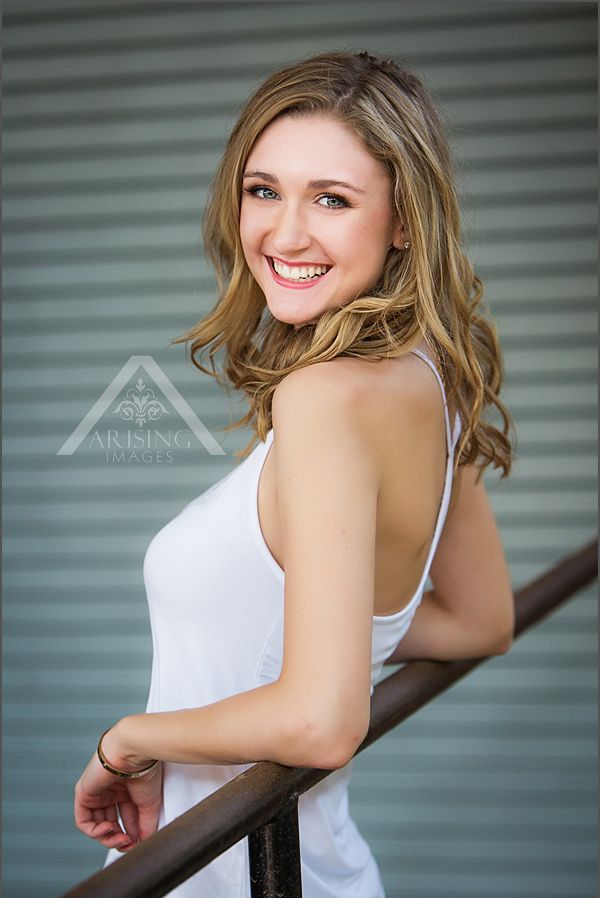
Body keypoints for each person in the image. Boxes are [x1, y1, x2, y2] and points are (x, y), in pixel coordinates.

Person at [73, 50, 516, 898]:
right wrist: (334, 627)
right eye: (264, 190)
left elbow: (321, 722)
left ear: (404, 222)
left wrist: (127, 739)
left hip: (239, 874)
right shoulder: (433, 375)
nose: (283, 234)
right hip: (322, 867)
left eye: (333, 200)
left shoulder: (324, 398)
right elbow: (480, 618)